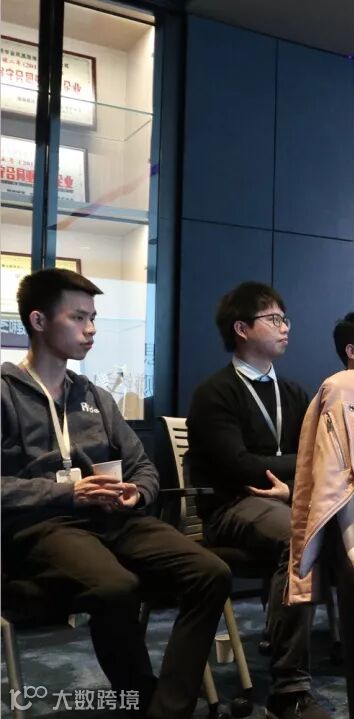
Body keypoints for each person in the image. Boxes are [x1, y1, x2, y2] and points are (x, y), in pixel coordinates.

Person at [1, 268, 230, 719]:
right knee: (115, 587)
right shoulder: (6, 394)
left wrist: (136, 493)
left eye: (93, 318)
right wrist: (66, 492)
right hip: (45, 526)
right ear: (39, 321)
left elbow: (143, 466)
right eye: (78, 317)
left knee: (211, 572)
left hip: (114, 519)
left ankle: (167, 708)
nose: (91, 329)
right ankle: (141, 698)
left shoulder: (95, 396)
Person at [186, 282, 329, 719]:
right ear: (242, 329)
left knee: (348, 526)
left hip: (284, 502)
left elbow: (320, 455)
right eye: (274, 319)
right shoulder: (215, 393)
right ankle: (289, 690)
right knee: (299, 537)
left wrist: (289, 483)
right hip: (231, 507)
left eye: (285, 319)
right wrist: (295, 470)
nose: (286, 327)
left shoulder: (293, 392)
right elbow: (241, 467)